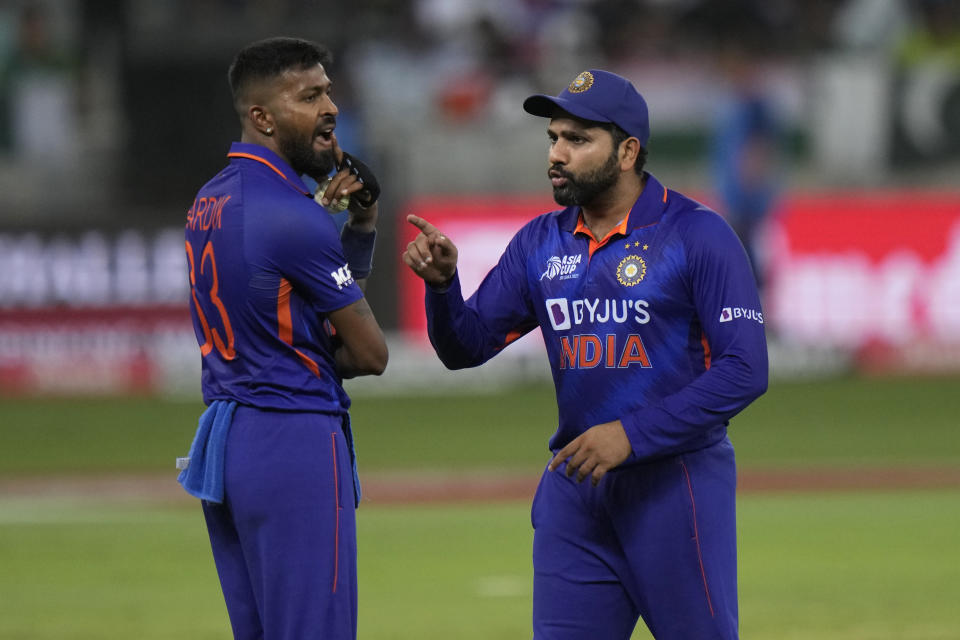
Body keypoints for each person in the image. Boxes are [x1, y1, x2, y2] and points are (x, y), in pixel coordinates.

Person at [403, 69, 768, 639]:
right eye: (553, 138)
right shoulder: (539, 242)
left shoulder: (698, 235)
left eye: (577, 140)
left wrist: (631, 435)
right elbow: (465, 348)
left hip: (676, 487)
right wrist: (444, 288)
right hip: (576, 493)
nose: (557, 153)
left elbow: (745, 371)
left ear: (627, 151)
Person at [179, 37, 388, 640]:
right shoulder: (293, 214)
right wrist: (353, 234)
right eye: (310, 96)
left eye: (328, 91)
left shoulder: (210, 200)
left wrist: (356, 227)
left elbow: (292, 316)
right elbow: (370, 354)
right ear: (262, 116)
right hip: (293, 436)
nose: (331, 108)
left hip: (227, 441)